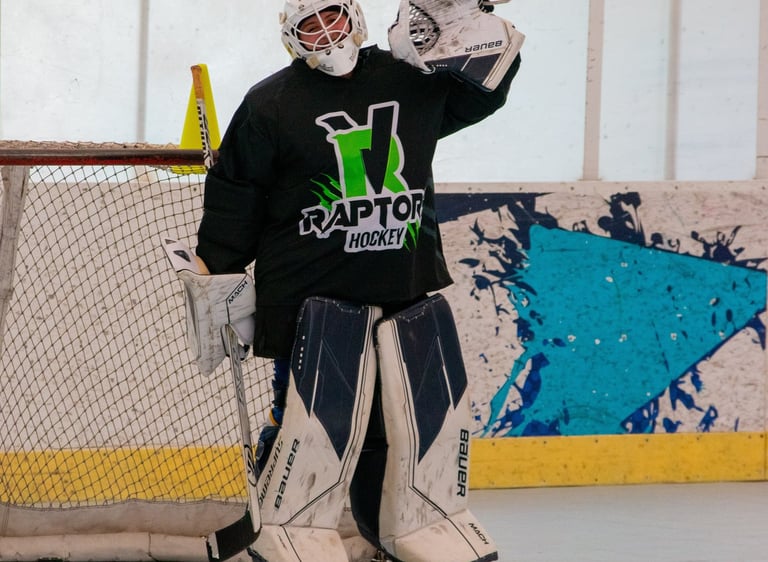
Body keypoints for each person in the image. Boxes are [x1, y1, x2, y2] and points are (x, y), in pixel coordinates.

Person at [194, 1, 521, 559]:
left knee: (405, 432)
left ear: (355, 16)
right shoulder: (270, 103)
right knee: (309, 426)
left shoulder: (409, 77)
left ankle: (399, 533)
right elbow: (235, 196)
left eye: (333, 17)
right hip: (309, 300)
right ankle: (281, 530)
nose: (326, 32)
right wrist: (219, 277)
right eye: (310, 25)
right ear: (292, 37)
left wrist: (485, 36)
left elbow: (481, 94)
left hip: (402, 289)